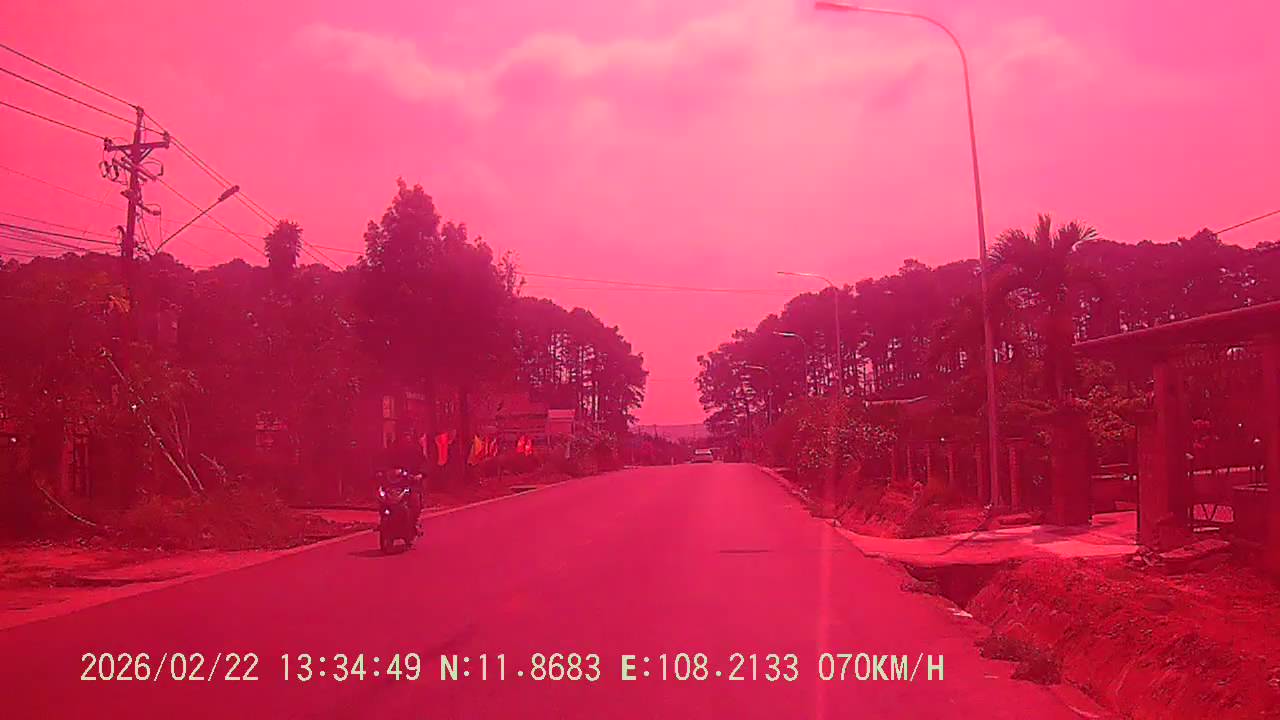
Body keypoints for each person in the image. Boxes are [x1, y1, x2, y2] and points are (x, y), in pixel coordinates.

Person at [383, 431, 425, 532]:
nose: (406, 438)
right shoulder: (392, 450)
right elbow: (383, 462)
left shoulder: (416, 450)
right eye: (404, 436)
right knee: (383, 498)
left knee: (415, 501)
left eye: (408, 436)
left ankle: (414, 523)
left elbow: (423, 464)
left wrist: (420, 474)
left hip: (411, 483)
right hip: (394, 483)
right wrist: (381, 472)